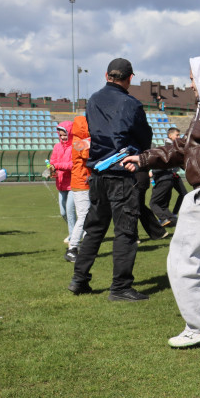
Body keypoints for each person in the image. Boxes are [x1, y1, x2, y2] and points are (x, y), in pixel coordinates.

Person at [123, 55, 200, 348]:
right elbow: (183, 149)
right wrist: (144, 158)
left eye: (193, 78)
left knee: (182, 259)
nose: (191, 84)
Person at [67, 58, 153, 301]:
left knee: (94, 229)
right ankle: (120, 287)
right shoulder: (131, 103)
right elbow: (144, 137)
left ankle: (79, 279)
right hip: (121, 173)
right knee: (125, 231)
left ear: (107, 76)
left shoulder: (93, 99)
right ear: (130, 78)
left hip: (97, 173)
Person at [149, 126, 188, 227]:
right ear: (170, 136)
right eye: (177, 135)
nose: (179, 137)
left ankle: (171, 216)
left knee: (182, 195)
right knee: (164, 199)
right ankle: (169, 218)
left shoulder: (176, 146)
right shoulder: (168, 147)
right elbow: (165, 162)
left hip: (170, 175)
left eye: (179, 135)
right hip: (169, 174)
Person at [65, 115, 91, 262]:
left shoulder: (78, 140)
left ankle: (85, 247)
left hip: (84, 181)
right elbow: (87, 155)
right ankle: (72, 247)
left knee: (88, 215)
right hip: (81, 182)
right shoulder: (78, 141)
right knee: (83, 216)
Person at [49, 121, 76, 245]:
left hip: (73, 184)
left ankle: (73, 238)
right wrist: (52, 171)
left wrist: (57, 166)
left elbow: (73, 165)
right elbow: (52, 162)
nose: (63, 137)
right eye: (61, 135)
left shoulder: (75, 147)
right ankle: (77, 232)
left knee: (70, 211)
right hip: (60, 184)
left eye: (65, 134)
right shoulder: (57, 147)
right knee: (63, 213)